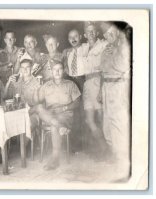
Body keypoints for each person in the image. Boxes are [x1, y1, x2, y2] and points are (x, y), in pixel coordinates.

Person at [36, 60, 81, 170]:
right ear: (51, 71)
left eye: (59, 69)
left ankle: (55, 159)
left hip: (65, 115)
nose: (57, 72)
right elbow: (38, 101)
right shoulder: (46, 85)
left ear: (64, 71)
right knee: (39, 108)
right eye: (54, 69)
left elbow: (78, 102)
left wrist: (65, 107)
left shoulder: (70, 84)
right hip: (50, 114)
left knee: (53, 125)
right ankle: (60, 127)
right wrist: (36, 90)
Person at [100, 22, 131, 180]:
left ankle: (123, 163)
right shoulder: (106, 49)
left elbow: (121, 66)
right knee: (107, 126)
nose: (108, 36)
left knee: (118, 124)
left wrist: (114, 54)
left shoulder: (124, 46)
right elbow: (102, 68)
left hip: (119, 86)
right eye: (106, 35)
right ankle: (116, 156)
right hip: (107, 86)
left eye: (111, 33)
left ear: (117, 33)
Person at [82, 21, 109, 157]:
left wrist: (101, 90)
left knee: (101, 118)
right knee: (89, 119)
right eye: (88, 31)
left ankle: (107, 149)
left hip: (98, 82)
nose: (91, 33)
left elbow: (105, 69)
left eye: (93, 31)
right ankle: (103, 147)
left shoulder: (103, 45)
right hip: (87, 84)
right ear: (85, 34)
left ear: (97, 33)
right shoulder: (83, 48)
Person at [62, 29, 86, 153]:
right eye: (70, 37)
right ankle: (74, 146)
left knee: (83, 113)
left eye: (76, 36)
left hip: (83, 81)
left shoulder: (86, 48)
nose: (73, 39)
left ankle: (84, 146)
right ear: (68, 39)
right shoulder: (67, 52)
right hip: (72, 81)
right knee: (73, 114)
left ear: (81, 36)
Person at [5, 59, 41, 132]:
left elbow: (38, 105)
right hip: (17, 113)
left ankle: (23, 143)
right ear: (20, 69)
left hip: (31, 114)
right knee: (3, 124)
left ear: (31, 68)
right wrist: (8, 83)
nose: (25, 70)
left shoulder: (37, 84)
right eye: (22, 67)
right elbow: (6, 97)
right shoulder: (17, 82)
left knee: (26, 125)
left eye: (27, 67)